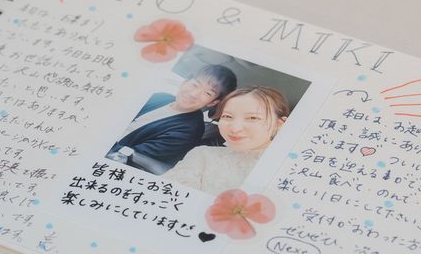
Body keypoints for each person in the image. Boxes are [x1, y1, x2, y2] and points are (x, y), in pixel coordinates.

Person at [107, 64, 237, 171]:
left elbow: (126, 156)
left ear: (212, 102)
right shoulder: (160, 97)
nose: (193, 94)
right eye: (195, 85)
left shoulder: (188, 132)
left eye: (207, 93)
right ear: (185, 82)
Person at [165, 86, 290, 195]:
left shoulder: (289, 169)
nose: (235, 128)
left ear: (279, 124)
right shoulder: (202, 155)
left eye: (252, 118)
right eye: (227, 116)